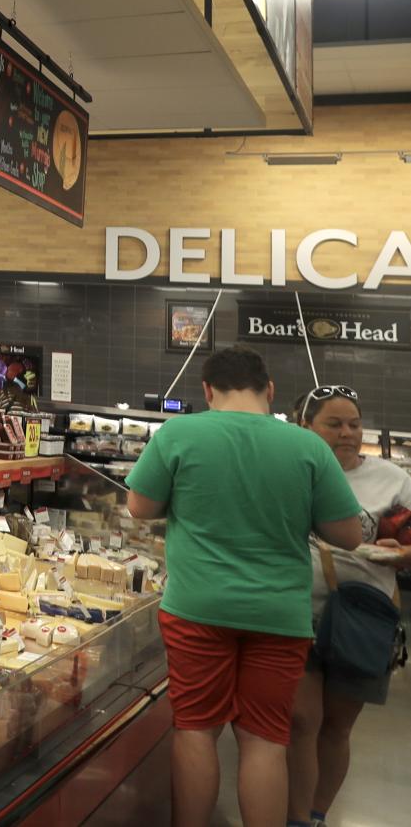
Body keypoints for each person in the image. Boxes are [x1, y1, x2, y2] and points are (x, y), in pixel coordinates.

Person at [125, 346, 363, 827]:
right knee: (265, 739)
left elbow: (140, 507)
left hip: (196, 609)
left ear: (208, 391)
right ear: (269, 389)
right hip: (279, 615)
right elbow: (349, 535)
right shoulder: (307, 446)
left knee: (195, 731)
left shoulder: (178, 433)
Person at [286, 385, 411, 826]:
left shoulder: (394, 479)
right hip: (294, 612)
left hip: (362, 618)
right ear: (305, 427)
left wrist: (401, 552)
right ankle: (296, 817)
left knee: (336, 727)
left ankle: (317, 814)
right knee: (301, 721)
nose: (348, 433)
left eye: (354, 424)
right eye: (334, 424)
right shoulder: (289, 470)